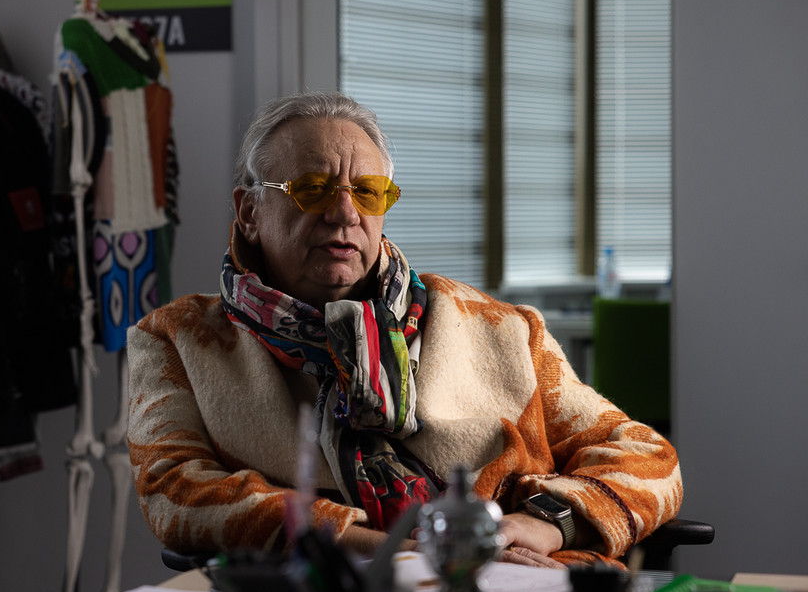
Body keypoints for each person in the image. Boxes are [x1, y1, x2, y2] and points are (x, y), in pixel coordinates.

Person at [126, 91, 682, 567]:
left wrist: (547, 522)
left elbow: (647, 457)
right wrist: (375, 548)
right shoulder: (177, 340)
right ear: (249, 212)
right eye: (313, 189)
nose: (345, 214)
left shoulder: (500, 329)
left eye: (367, 192)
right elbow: (174, 491)